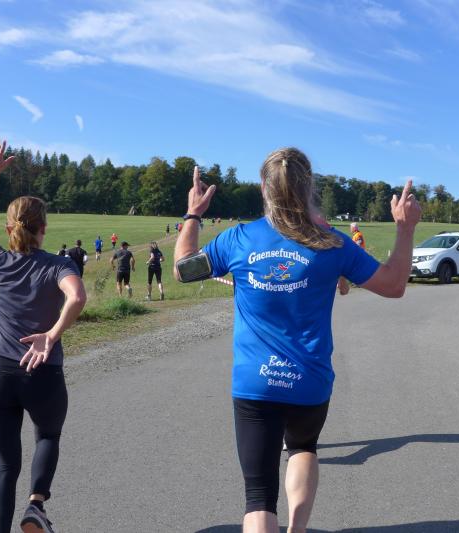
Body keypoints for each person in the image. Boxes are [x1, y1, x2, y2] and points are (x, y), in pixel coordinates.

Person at [174, 148, 421, 533]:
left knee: (259, 497)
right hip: (309, 382)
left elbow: (182, 270)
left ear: (263, 188)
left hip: (255, 383)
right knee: (303, 448)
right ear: (310, 187)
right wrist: (405, 229)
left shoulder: (239, 239)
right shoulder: (332, 243)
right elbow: (393, 286)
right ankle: (298, 529)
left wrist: (193, 214)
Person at [0, 139, 87, 533]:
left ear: (8, 228)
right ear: (44, 229)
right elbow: (77, 297)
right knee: (47, 435)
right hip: (42, 371)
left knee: (4, 468)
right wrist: (51, 335)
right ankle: (36, 505)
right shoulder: (58, 265)